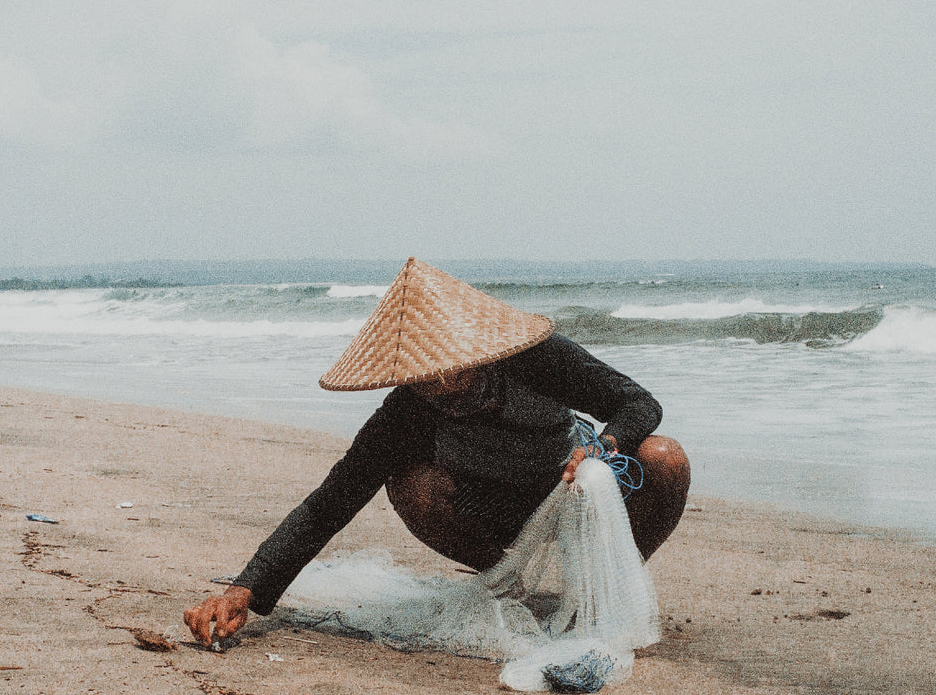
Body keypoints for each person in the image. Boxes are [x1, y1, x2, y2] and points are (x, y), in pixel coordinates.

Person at [184, 258, 691, 648]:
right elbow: (331, 502)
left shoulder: (539, 358)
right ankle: (506, 592)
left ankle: (606, 588)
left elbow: (639, 403)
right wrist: (243, 591)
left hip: (571, 488)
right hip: (496, 514)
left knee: (666, 459)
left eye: (458, 366)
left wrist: (603, 448)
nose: (447, 383)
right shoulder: (407, 411)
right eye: (430, 379)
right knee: (411, 486)